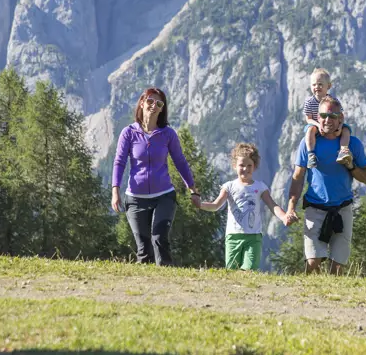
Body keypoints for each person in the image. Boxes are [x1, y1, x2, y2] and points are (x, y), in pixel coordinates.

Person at [111, 87, 200, 266]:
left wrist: (193, 189)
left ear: (162, 109)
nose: (154, 105)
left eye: (159, 103)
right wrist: (115, 191)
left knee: (160, 238)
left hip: (164, 196)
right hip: (135, 198)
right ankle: (145, 289)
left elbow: (180, 162)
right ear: (142, 103)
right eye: (150, 101)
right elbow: (119, 162)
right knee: (143, 249)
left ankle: (167, 282)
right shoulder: (128, 133)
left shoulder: (168, 134)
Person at [284, 96, 366, 274]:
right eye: (323, 115)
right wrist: (290, 207)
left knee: (338, 266)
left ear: (341, 118)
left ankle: (332, 300)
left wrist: (351, 166)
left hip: (342, 209)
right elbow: (298, 176)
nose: (327, 120)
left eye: (332, 116)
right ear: (317, 117)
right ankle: (306, 297)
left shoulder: (352, 144)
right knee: (313, 261)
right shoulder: (308, 142)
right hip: (315, 208)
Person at [196, 142, 293, 270]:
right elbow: (216, 205)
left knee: (249, 270)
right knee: (232, 271)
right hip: (233, 236)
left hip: (253, 237)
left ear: (255, 166)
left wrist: (284, 216)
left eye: (249, 165)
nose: (245, 169)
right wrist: (200, 204)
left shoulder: (260, 187)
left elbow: (272, 205)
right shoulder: (229, 186)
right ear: (235, 166)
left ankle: (248, 289)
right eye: (242, 165)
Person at [301, 68, 352, 169]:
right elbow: (308, 119)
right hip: (316, 125)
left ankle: (343, 151)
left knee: (347, 130)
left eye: (320, 84)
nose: (317, 87)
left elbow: (341, 116)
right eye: (314, 84)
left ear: (328, 86)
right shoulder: (309, 102)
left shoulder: (334, 101)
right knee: (310, 130)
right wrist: (318, 125)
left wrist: (340, 127)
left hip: (332, 125)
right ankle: (311, 154)